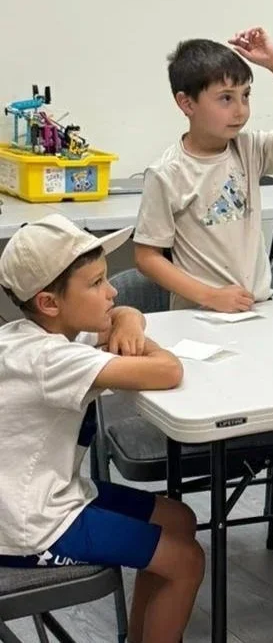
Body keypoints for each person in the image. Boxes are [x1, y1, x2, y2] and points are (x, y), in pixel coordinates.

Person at [0, 214, 204, 643]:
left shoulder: (39, 334)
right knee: (185, 561)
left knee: (179, 518)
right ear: (49, 302)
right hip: (31, 527)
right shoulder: (52, 361)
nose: (111, 291)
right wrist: (137, 338)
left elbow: (125, 312)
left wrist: (128, 321)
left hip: (47, 493)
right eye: (95, 284)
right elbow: (168, 370)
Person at [134, 28, 273, 311]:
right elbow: (146, 257)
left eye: (246, 95)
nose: (240, 110)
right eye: (226, 98)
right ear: (186, 103)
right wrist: (210, 296)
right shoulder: (168, 173)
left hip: (256, 308)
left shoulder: (250, 148)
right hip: (199, 314)